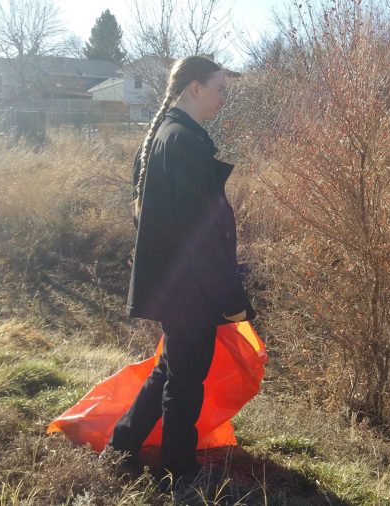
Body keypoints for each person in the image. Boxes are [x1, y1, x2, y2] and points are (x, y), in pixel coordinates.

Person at [104, 55, 253, 487]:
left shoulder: (164, 134)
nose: (223, 98)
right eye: (219, 89)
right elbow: (199, 234)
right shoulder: (185, 141)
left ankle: (122, 445)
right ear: (194, 87)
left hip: (175, 281)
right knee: (185, 380)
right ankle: (178, 471)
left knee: (170, 369)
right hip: (189, 285)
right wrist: (229, 297)